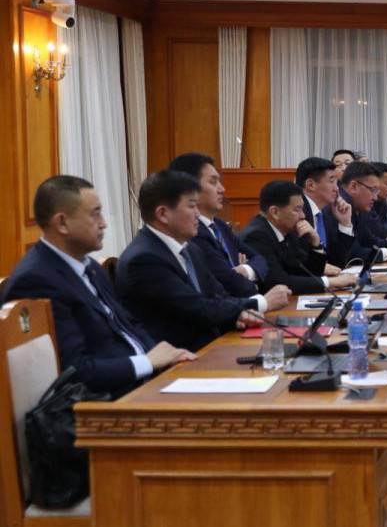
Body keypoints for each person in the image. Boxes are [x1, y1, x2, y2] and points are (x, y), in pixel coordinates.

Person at [1, 176, 195, 395]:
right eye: (95, 214)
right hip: (105, 401)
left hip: (144, 382)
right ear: (62, 223)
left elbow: (128, 323)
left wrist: (165, 356)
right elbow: (74, 372)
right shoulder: (36, 281)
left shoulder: (89, 265)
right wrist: (148, 362)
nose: (104, 223)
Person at [117, 171, 285, 351]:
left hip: (212, 345)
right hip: (180, 357)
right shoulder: (143, 259)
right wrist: (261, 303)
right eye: (192, 206)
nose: (198, 214)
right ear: (163, 214)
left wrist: (239, 315)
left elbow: (218, 296)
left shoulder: (190, 249)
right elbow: (197, 307)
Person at [167, 152, 269, 298]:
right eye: (213, 182)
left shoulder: (220, 226)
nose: (222, 189)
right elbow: (230, 284)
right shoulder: (192, 233)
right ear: (190, 188)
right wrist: (250, 282)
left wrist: (246, 270)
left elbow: (260, 259)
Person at [240, 181, 356, 295]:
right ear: (275, 212)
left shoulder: (288, 231)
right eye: (297, 209)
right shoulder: (256, 237)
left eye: (302, 209)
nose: (303, 216)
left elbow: (308, 272)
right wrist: (332, 282)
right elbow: (279, 282)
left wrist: (315, 244)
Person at [339, 161, 387, 262]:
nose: (375, 197)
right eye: (372, 190)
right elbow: (351, 253)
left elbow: (370, 240)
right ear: (354, 186)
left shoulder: (359, 206)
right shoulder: (339, 207)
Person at [296, 156, 357, 271]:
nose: (337, 189)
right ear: (311, 185)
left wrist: (345, 223)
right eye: (331, 181)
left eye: (337, 182)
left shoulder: (326, 213)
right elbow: (297, 263)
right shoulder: (297, 214)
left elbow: (338, 262)